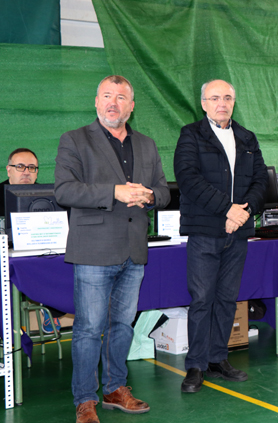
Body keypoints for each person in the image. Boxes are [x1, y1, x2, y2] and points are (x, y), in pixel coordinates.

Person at [55, 75, 170, 423]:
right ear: (96, 101)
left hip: (134, 250)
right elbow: (64, 190)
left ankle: (115, 388)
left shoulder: (147, 144)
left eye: (121, 97)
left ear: (131, 106)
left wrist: (150, 196)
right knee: (89, 329)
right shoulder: (74, 140)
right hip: (93, 250)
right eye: (107, 95)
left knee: (122, 326)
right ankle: (85, 399)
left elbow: (164, 191)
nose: (113, 103)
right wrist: (114, 192)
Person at [175, 79, 268, 393]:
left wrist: (243, 212)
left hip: (238, 233)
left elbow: (260, 181)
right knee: (202, 299)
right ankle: (196, 364)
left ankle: (218, 358)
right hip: (205, 232)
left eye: (227, 98)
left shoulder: (247, 137)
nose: (222, 103)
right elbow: (188, 179)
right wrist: (227, 210)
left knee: (227, 299)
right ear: (203, 104)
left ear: (234, 102)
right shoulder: (191, 134)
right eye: (215, 98)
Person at [2, 148, 66, 333]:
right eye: (20, 167)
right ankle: (10, 328)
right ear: (9, 170)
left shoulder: (48, 195)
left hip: (40, 254)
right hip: (6, 257)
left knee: (61, 262)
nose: (26, 172)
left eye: (31, 168)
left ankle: (51, 307)